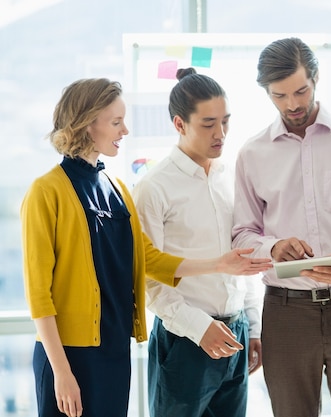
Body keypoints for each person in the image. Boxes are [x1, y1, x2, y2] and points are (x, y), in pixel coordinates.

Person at [20, 78, 271, 417]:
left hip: (113, 347)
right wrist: (62, 372)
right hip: (67, 354)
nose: (125, 130)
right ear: (86, 122)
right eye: (115, 121)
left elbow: (149, 261)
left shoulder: (117, 188)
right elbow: (39, 294)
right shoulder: (45, 191)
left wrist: (219, 264)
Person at [231, 37, 331, 417]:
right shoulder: (252, 154)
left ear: (316, 79)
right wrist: (272, 247)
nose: (293, 104)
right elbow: (242, 233)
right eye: (280, 95)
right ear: (266, 93)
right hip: (286, 314)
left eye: (301, 90)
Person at [132, 68, 262, 417]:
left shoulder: (232, 177)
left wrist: (252, 326)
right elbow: (148, 277)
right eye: (208, 124)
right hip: (184, 339)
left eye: (226, 122)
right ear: (179, 124)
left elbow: (243, 258)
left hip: (235, 332)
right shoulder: (154, 187)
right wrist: (199, 328)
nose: (220, 134)